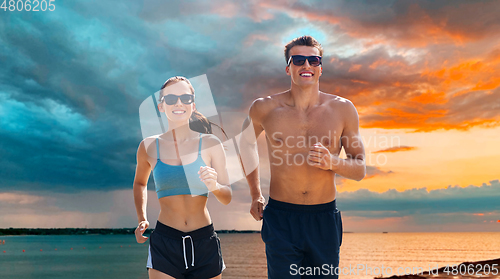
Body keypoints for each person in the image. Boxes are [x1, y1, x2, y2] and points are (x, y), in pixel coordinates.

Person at [240, 36, 366, 278]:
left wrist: (333, 162)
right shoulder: (264, 108)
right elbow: (244, 145)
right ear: (288, 68)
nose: (306, 65)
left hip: (323, 219)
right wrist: (255, 193)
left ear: (320, 68)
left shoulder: (343, 109)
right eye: (298, 60)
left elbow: (359, 169)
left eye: (313, 60)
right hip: (281, 217)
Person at [133, 76, 232, 279]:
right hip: (165, 242)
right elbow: (140, 183)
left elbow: (227, 196)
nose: (178, 103)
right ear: (161, 106)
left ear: (192, 105)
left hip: (204, 241)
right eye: (171, 99)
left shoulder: (211, 144)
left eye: (185, 98)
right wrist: (142, 218)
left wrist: (213, 185)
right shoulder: (148, 146)